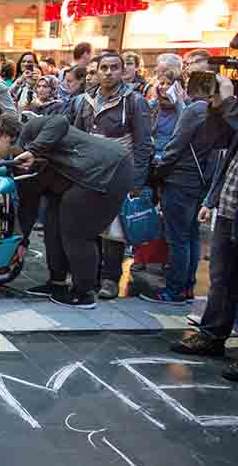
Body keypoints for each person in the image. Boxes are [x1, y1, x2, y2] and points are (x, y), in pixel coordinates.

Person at [0, 112, 133, 309]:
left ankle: (83, 293)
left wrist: (34, 150)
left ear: (5, 136)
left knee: (76, 233)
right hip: (76, 180)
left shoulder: (31, 130)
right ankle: (57, 284)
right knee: (52, 227)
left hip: (106, 169)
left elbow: (59, 121)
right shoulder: (18, 166)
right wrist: (21, 241)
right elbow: (28, 208)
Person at [144, 73, 235, 304]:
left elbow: (175, 147)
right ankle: (186, 288)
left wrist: (158, 173)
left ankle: (174, 291)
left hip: (181, 180)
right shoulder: (222, 114)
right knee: (191, 236)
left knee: (179, 239)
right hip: (202, 181)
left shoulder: (196, 110)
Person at [68, 53, 152, 300]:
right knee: (88, 227)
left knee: (114, 232)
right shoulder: (84, 101)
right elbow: (77, 137)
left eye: (114, 68)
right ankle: (89, 276)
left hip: (119, 174)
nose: (108, 72)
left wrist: (137, 180)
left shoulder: (135, 101)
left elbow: (143, 144)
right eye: (103, 68)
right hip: (89, 174)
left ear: (123, 70)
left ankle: (110, 279)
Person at [170, 96, 238, 382]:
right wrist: (212, 199)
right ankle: (212, 335)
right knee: (221, 277)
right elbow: (223, 144)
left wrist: (226, 100)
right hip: (229, 203)